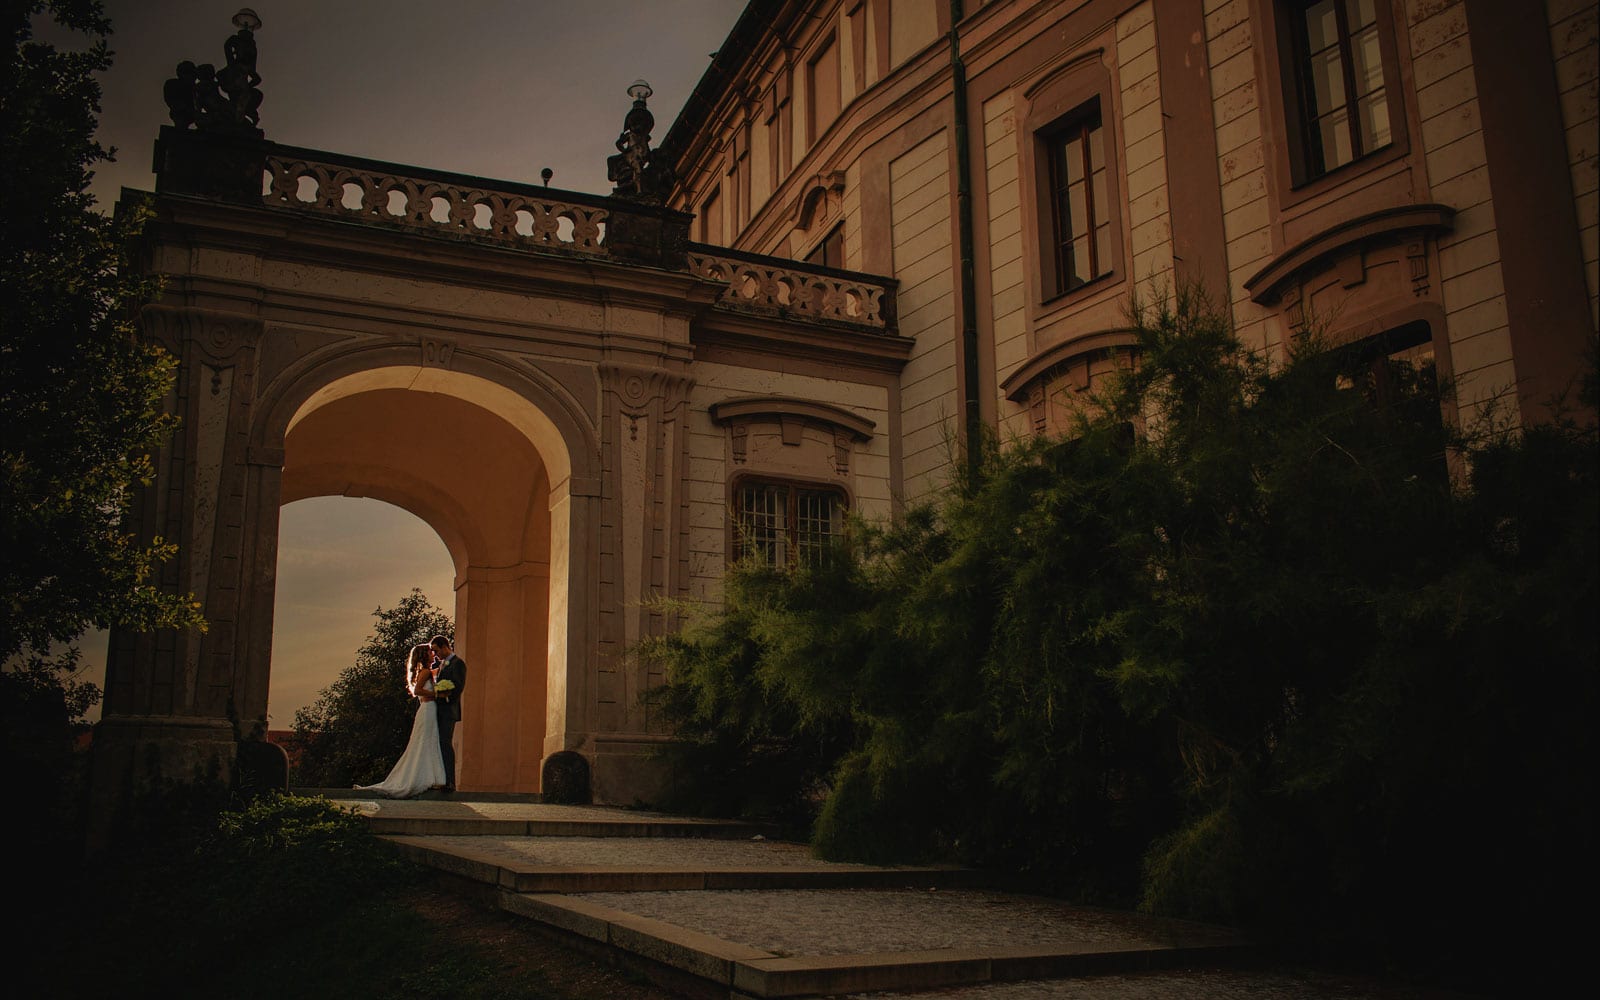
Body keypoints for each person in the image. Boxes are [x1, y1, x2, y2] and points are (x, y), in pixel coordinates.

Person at [354, 644, 447, 798]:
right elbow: (418, 691)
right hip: (428, 708)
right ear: (424, 655)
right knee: (426, 740)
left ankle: (432, 775)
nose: (433, 655)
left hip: (429, 709)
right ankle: (427, 776)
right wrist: (436, 693)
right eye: (431, 653)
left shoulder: (428, 671)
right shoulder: (425, 672)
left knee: (429, 740)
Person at [430, 635, 466, 793]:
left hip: (448, 710)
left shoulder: (458, 664)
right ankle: (441, 778)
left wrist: (444, 696)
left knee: (445, 743)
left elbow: (458, 687)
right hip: (439, 710)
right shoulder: (443, 664)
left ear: (444, 646)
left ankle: (450, 781)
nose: (436, 655)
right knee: (440, 744)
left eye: (437, 651)